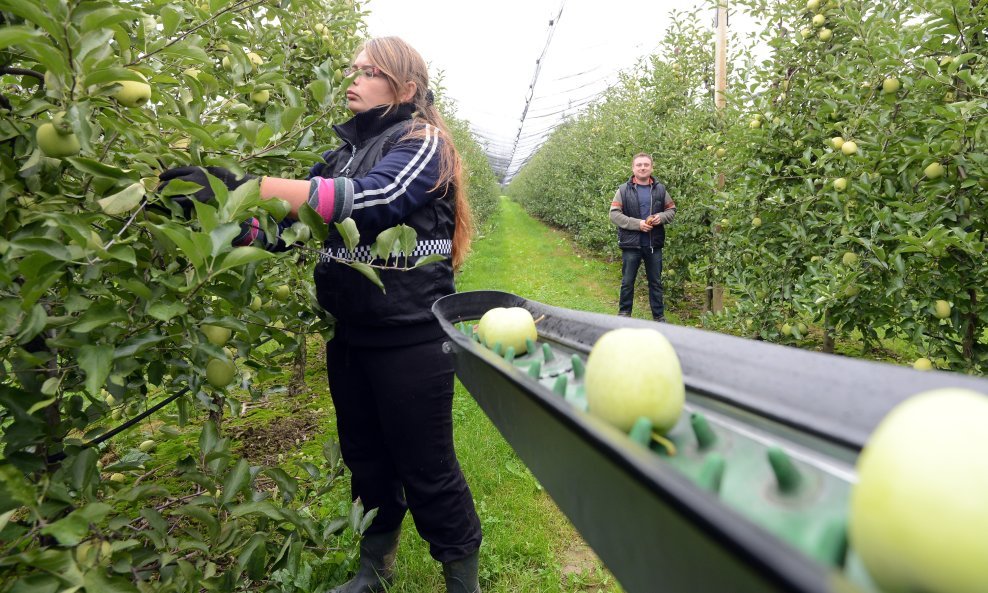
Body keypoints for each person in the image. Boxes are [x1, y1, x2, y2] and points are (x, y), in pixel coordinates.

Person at [159, 37, 483, 593]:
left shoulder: (424, 142)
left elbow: (370, 200)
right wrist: (215, 208)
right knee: (366, 461)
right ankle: (373, 572)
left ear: (405, 87)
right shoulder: (343, 154)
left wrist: (247, 185)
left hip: (410, 340)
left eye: (369, 71)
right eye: (352, 69)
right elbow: (286, 228)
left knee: (426, 468)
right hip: (352, 334)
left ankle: (462, 579)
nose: (352, 80)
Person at [608, 152, 676, 322]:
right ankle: (624, 315)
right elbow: (614, 214)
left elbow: (671, 210)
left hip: (654, 244)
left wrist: (662, 217)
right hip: (631, 244)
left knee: (656, 283)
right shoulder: (623, 190)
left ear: (651, 167)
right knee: (627, 282)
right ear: (633, 168)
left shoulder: (660, 189)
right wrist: (637, 224)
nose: (643, 167)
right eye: (639, 165)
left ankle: (659, 317)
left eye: (646, 164)